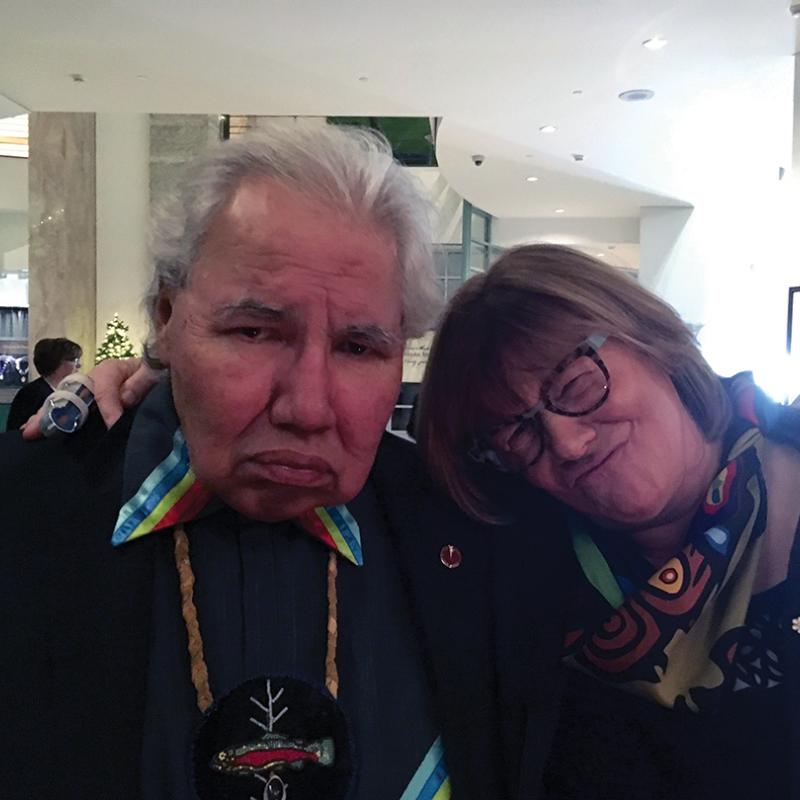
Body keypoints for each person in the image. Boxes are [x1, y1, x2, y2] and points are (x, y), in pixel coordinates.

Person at [0, 125, 568, 800]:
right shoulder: (24, 515)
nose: (308, 406)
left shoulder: (472, 535)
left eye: (359, 347)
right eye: (255, 332)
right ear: (168, 317)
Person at [418, 243, 800, 799]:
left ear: (651, 339)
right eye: (518, 434)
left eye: (574, 384)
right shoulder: (531, 585)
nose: (568, 444)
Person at [5, 336, 82, 430]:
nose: (79, 365)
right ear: (58, 363)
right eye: (75, 360)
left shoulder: (67, 390)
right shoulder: (31, 394)